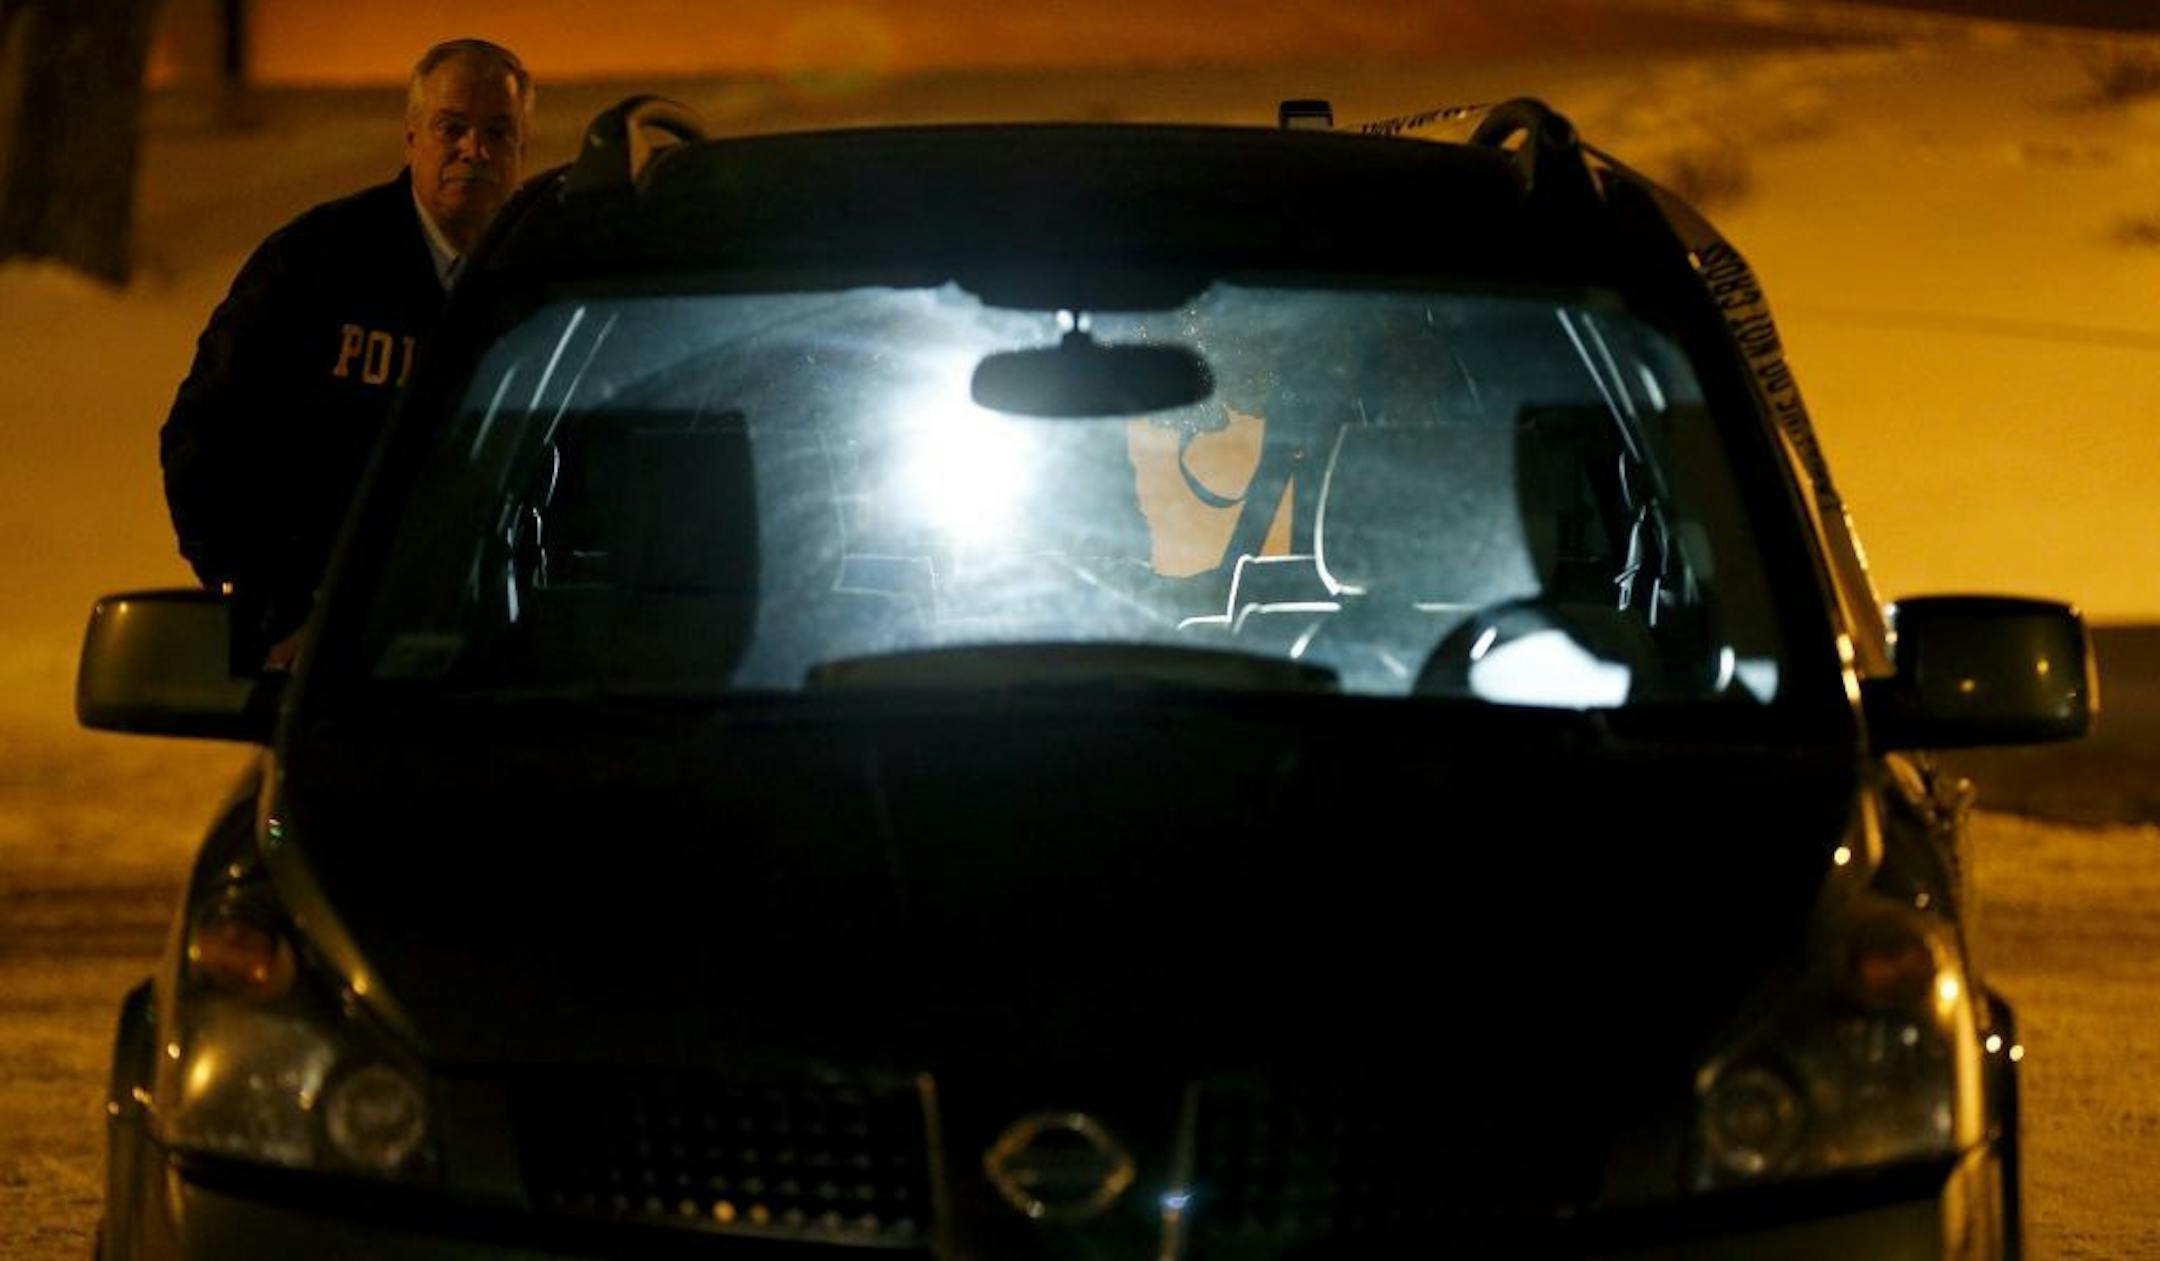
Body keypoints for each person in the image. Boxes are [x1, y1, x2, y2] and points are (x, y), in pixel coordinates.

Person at [159, 38, 532, 668]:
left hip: (508, 666)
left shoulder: (545, 279)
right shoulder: (316, 266)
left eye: (498, 131)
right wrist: (274, 617)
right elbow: (208, 438)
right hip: (334, 657)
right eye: (453, 128)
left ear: (523, 147)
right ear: (412, 137)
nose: (475, 149)